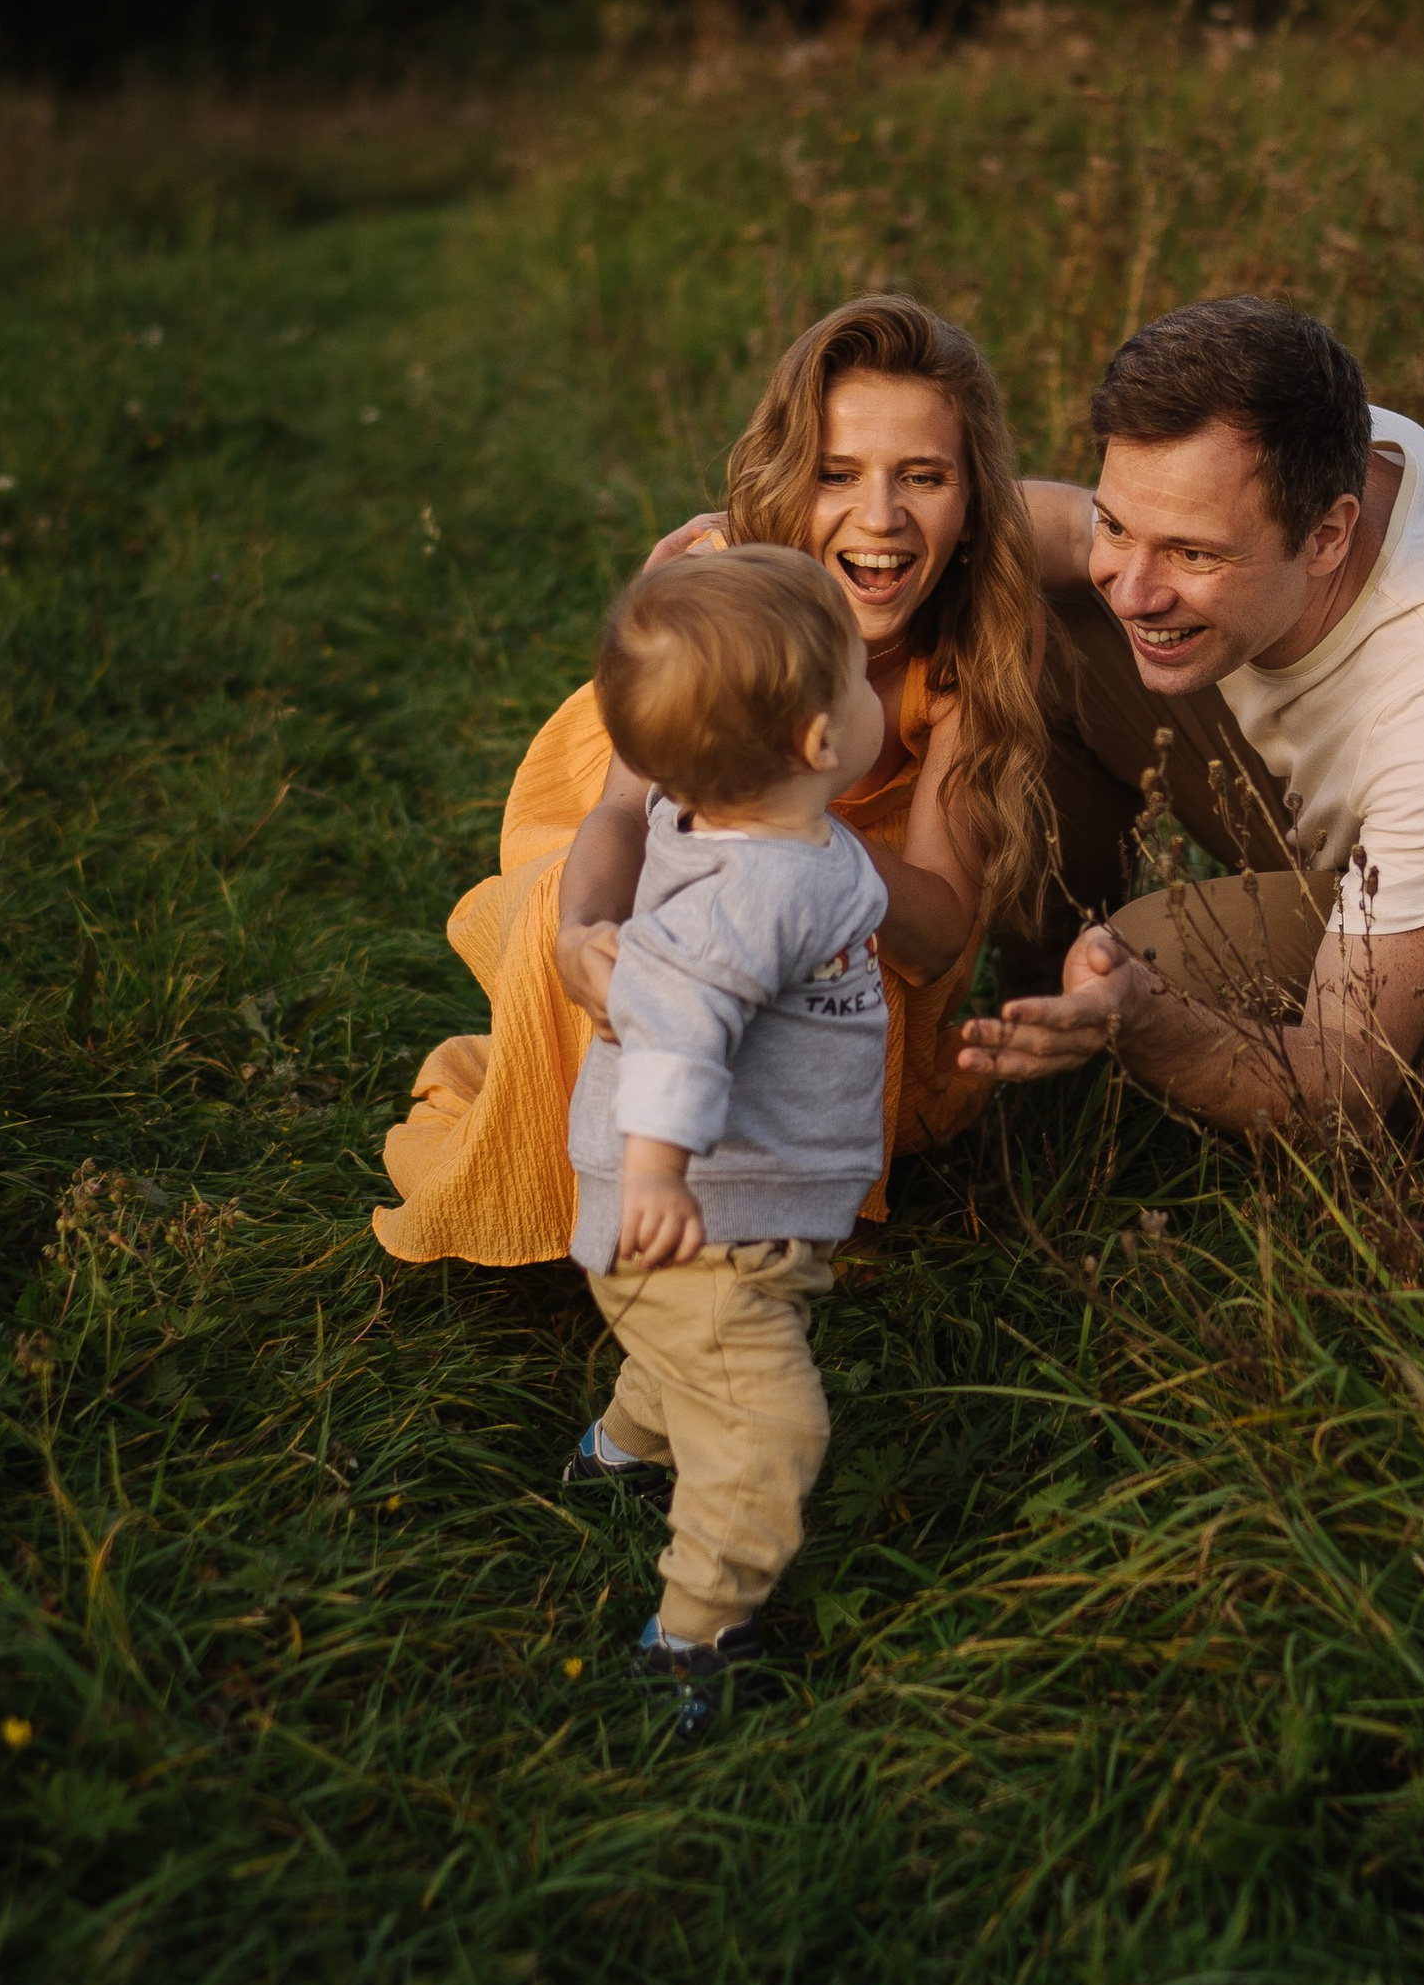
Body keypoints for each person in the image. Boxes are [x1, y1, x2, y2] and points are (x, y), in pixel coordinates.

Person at [373, 295, 1048, 1268]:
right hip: (669, 832)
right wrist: (578, 932)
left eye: (924, 476)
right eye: (836, 474)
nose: (880, 516)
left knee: (811, 958)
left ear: (972, 495)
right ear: (790, 475)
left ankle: (734, 1199)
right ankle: (597, 1186)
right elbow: (618, 809)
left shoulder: (980, 633)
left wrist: (794, 824)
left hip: (865, 910)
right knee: (604, 922)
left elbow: (938, 931)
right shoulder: (725, 580)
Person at [958, 296, 1424, 1127]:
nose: (1134, 590)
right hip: (1370, 840)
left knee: (1157, 949)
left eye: (1193, 553)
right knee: (1049, 627)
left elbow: (1338, 1087)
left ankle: (1104, 1011)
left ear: (1327, 536)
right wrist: (869, 542)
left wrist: (1147, 1016)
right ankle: (1031, 1035)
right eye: (1120, 528)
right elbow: (1054, 530)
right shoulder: (1306, 445)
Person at [561, 545, 891, 1727]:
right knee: (765, 1428)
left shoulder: (737, 832)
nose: (876, 694)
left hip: (726, 1211)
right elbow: (673, 1020)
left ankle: (618, 1453)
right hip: (700, 1210)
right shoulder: (754, 893)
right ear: (816, 742)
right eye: (859, 678)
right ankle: (693, 1633)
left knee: (682, 1357)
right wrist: (656, 1166)